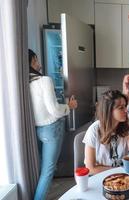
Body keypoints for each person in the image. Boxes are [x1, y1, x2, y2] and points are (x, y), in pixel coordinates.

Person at [28, 49, 78, 200]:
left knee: (42, 168)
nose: (39, 63)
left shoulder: (24, 82)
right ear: (32, 61)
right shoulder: (44, 80)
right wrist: (70, 106)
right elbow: (54, 110)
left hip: (37, 129)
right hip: (52, 129)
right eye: (36, 60)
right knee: (48, 171)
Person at [83, 90, 129, 175]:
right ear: (109, 111)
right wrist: (120, 170)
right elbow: (90, 168)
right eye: (121, 107)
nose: (126, 110)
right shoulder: (94, 130)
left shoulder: (128, 126)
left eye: (125, 106)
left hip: (122, 176)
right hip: (100, 177)